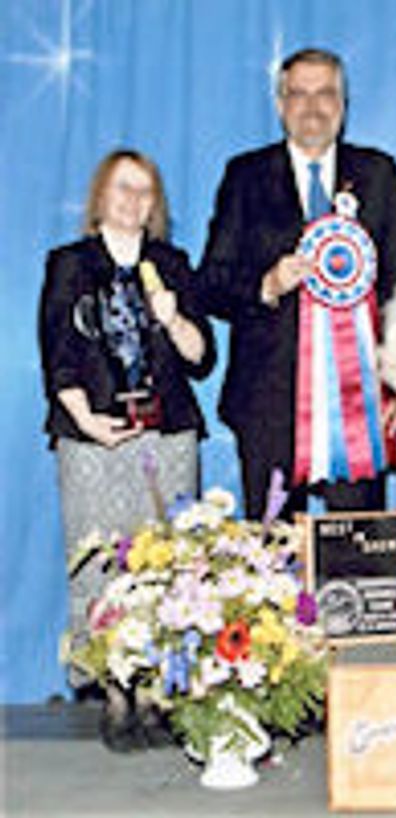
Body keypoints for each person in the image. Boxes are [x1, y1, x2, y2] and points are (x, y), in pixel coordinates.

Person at [38, 148, 215, 748]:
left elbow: (201, 357)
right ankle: (114, 697)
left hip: (166, 436)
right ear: (100, 197)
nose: (133, 200)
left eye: (144, 190)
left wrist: (174, 319)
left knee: (163, 568)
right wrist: (87, 419)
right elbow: (58, 351)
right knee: (101, 570)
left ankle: (153, 693)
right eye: (122, 188)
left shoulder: (172, 264)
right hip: (93, 439)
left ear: (155, 203)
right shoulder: (69, 264)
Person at [197, 48, 396, 520]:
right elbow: (210, 283)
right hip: (266, 401)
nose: (312, 106)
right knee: (270, 561)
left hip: (360, 404)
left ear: (343, 103)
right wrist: (266, 284)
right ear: (280, 104)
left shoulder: (378, 174)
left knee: (357, 559)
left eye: (326, 93)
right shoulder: (245, 176)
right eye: (299, 93)